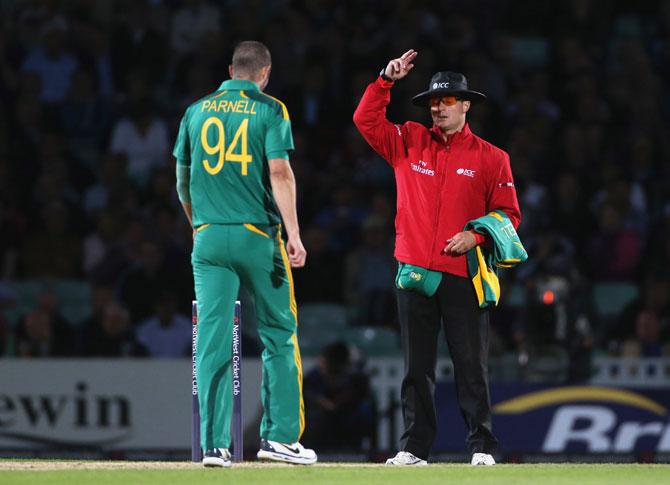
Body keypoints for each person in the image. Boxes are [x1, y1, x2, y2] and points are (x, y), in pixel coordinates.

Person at [353, 49, 522, 466]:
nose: (438, 109)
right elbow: (365, 120)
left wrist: (476, 233)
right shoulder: (408, 140)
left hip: (464, 273)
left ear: (466, 105)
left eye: (446, 102)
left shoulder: (491, 157)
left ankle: (482, 447)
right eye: (433, 102)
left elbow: (509, 215)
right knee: (417, 369)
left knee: (470, 366)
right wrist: (384, 81)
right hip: (414, 272)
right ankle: (414, 448)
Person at [173, 41, 316, 467]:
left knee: (212, 340)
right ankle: (279, 439)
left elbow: (182, 180)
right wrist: (294, 233)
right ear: (265, 73)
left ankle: (214, 446)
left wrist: (200, 226)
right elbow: (279, 171)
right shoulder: (272, 110)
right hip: (258, 236)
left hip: (209, 236)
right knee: (279, 333)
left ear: (230, 70)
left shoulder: (195, 111)